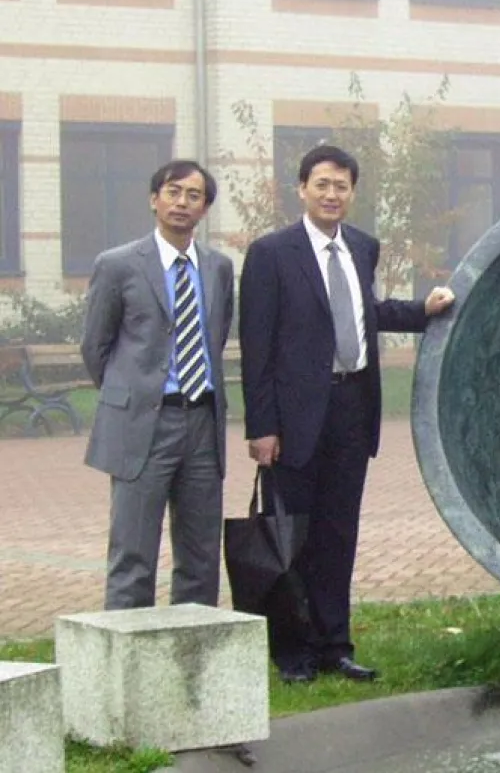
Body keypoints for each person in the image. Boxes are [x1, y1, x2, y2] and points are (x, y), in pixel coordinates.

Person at [239, 144, 455, 684]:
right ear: (302, 189)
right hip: (292, 422)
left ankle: (335, 645)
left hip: (352, 410)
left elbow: (367, 313)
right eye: (322, 184)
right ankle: (293, 653)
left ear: (352, 192)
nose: (332, 194)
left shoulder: (362, 247)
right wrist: (262, 426)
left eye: (341, 186)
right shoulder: (271, 254)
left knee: (338, 535)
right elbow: (257, 347)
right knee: (291, 538)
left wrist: (421, 312)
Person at [81, 160, 234, 610]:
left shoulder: (218, 269)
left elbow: (216, 335)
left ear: (204, 208)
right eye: (173, 192)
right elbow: (96, 346)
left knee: (201, 554)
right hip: (143, 424)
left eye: (194, 195)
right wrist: (129, 395)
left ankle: (193, 658)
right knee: (133, 553)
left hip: (202, 424)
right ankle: (128, 663)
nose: (182, 202)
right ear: (154, 199)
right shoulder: (118, 265)